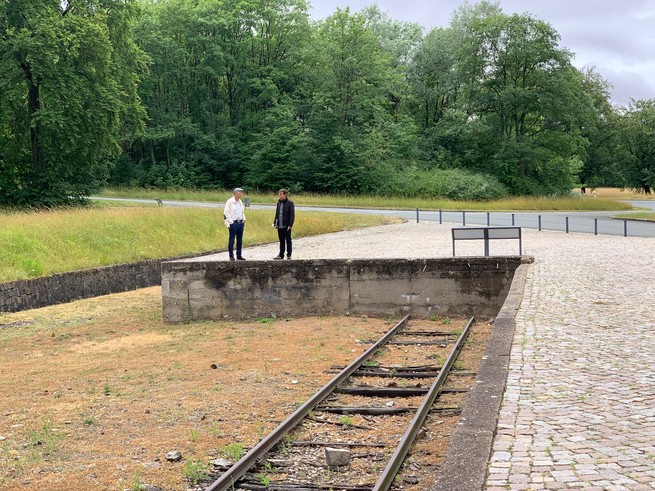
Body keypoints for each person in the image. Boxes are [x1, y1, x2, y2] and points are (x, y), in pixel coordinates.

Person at [224, 187, 246, 261]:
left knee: (239, 240)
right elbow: (226, 212)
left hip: (240, 222)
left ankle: (239, 255)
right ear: (236, 193)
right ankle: (231, 255)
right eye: (240, 192)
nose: (241, 194)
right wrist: (231, 222)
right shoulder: (230, 201)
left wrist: (243, 219)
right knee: (232, 239)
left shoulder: (240, 201)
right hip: (234, 222)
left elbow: (242, 211)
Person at [273, 188, 295, 260]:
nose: (279, 196)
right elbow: (277, 214)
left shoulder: (290, 203)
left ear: (285, 195)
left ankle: (289, 254)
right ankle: (281, 254)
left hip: (286, 225)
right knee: (281, 241)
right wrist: (275, 223)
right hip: (280, 225)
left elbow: (292, 215)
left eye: (281, 194)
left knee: (288, 240)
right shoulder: (278, 203)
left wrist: (290, 225)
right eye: (279, 194)